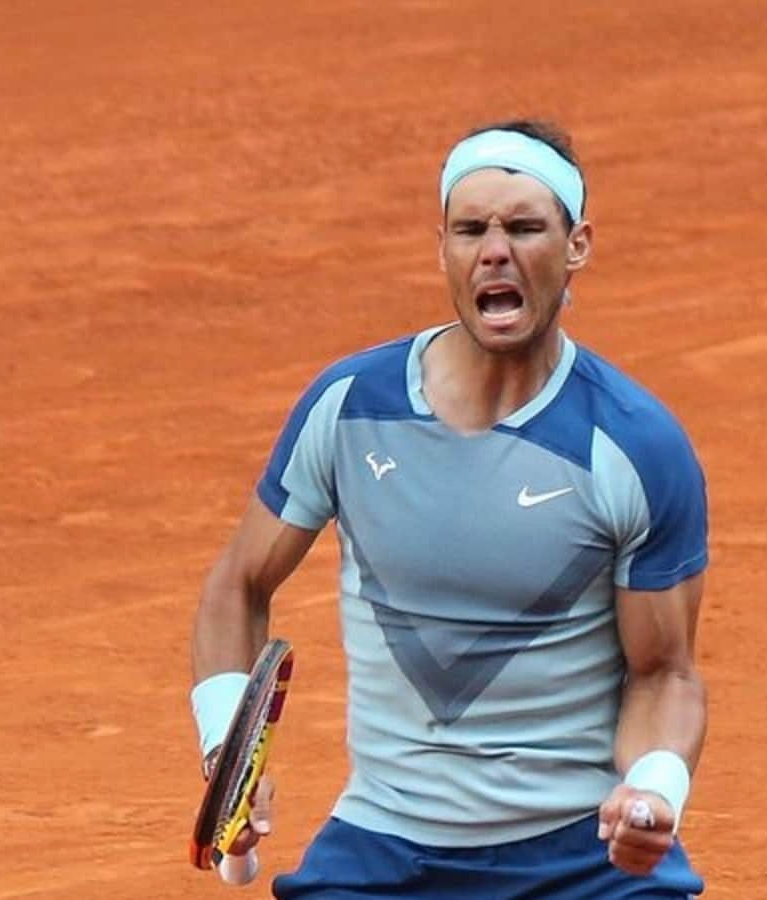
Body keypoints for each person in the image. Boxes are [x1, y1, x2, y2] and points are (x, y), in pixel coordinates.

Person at [189, 119, 710, 898]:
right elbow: (239, 584)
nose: (494, 250)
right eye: (470, 229)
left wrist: (654, 791)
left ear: (578, 246)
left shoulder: (635, 446)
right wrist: (228, 752)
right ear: (444, 251)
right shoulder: (348, 407)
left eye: (524, 227)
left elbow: (663, 672)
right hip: (385, 853)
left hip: (580, 864)